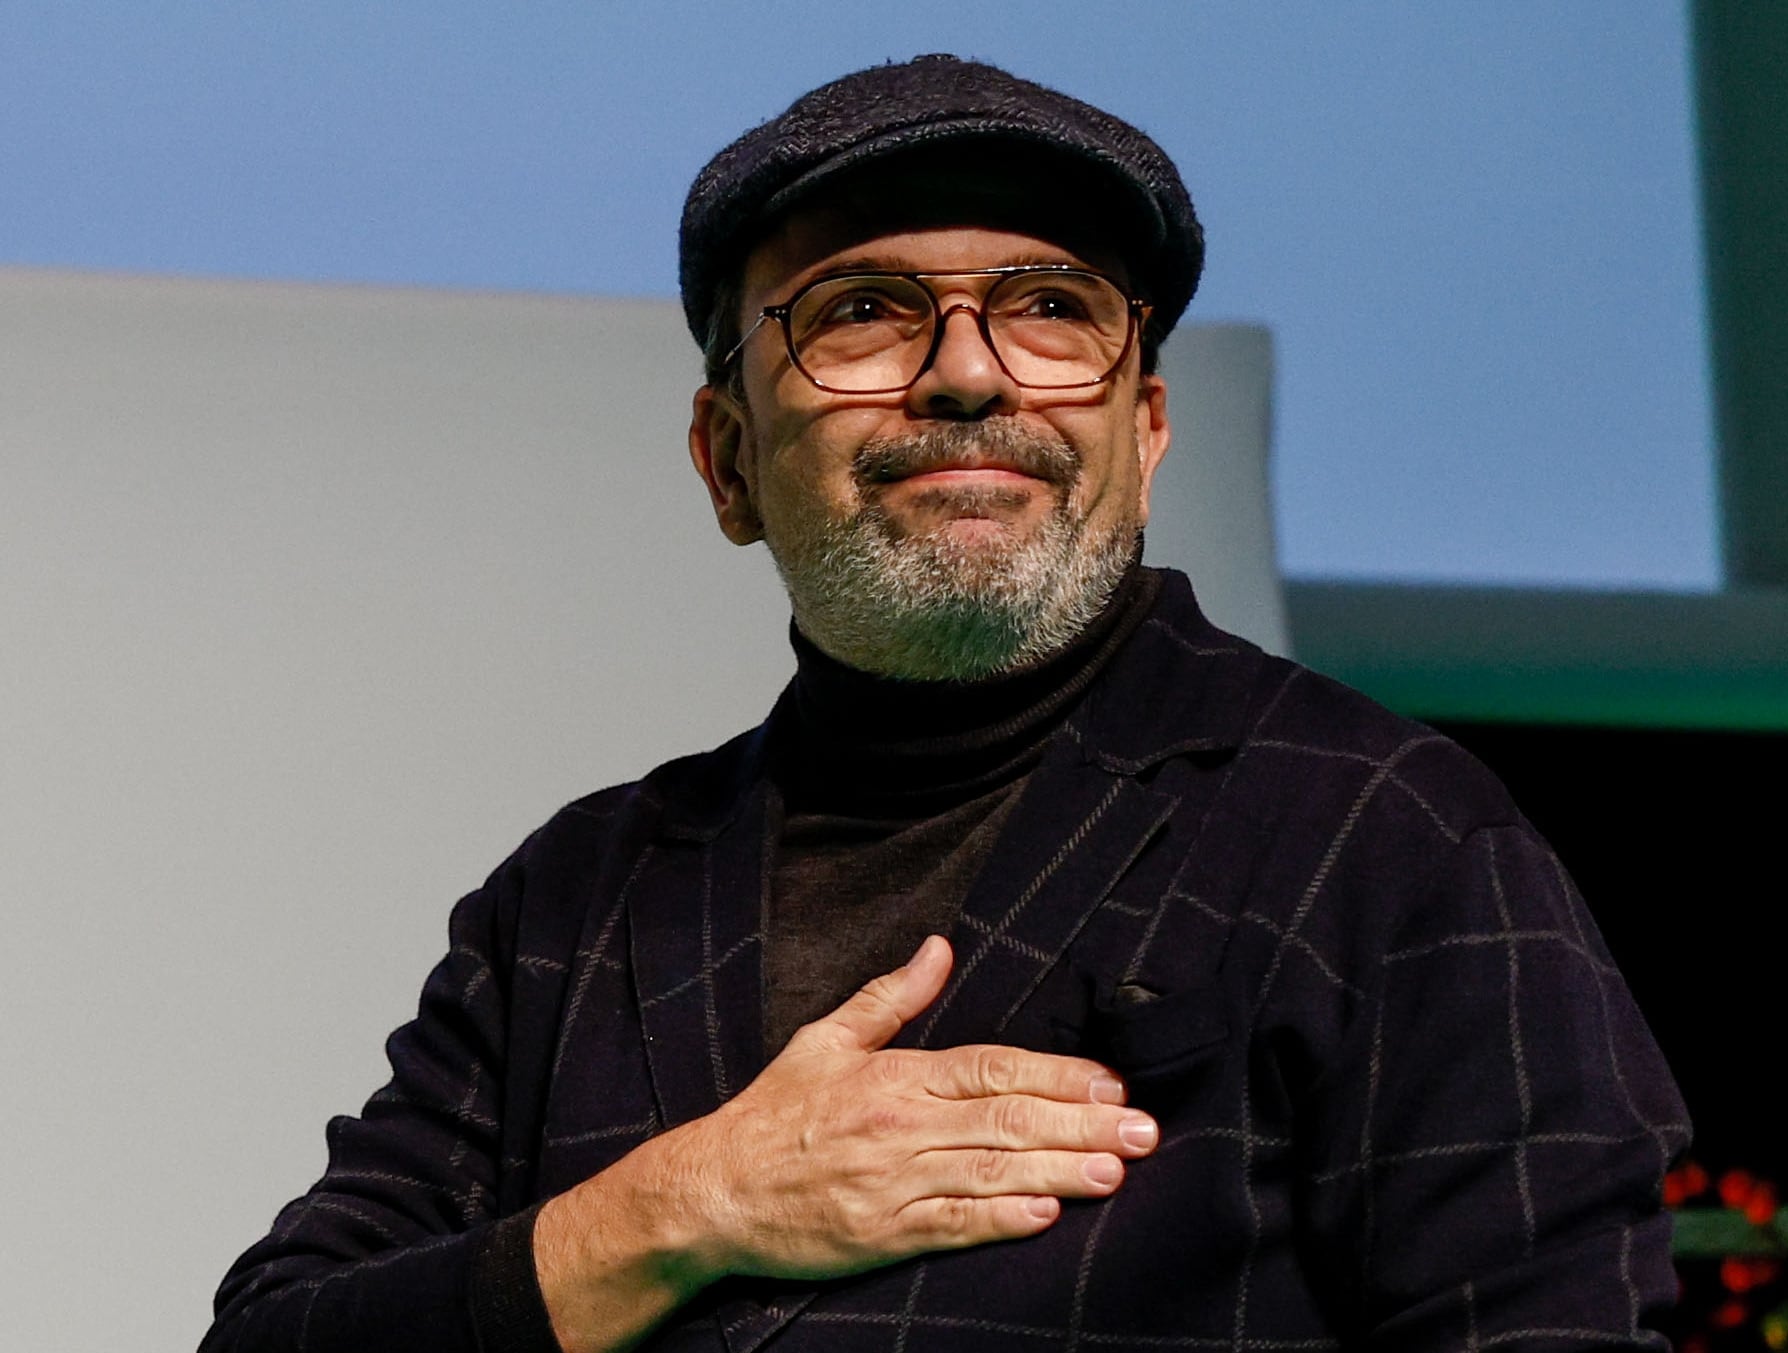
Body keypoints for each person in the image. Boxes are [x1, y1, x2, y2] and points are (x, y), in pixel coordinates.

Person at [202, 55, 1689, 1353]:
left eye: (1050, 308)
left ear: (1147, 429)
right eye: (862, 311)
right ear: (726, 463)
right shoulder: (575, 905)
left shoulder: (1386, 841)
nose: (968, 374)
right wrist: (690, 1201)